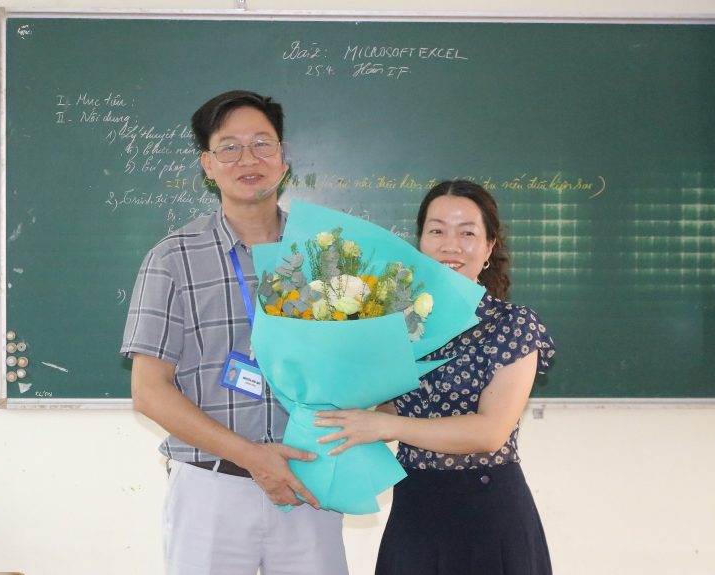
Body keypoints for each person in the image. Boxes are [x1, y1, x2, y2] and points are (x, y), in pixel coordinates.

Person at [121, 90, 348, 575]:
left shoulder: (327, 255)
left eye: (262, 144)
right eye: (229, 147)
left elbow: (356, 368)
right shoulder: (172, 259)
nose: (248, 159)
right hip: (211, 489)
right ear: (207, 165)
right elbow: (149, 391)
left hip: (308, 481)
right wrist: (251, 457)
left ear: (283, 158)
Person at [314, 179, 556, 575]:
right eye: (437, 231)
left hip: (490, 515)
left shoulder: (513, 324)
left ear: (489, 247)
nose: (450, 245)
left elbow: (489, 432)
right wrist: (346, 413)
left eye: (467, 233)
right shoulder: (401, 322)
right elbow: (395, 404)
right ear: (421, 242)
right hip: (416, 510)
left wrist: (383, 425)